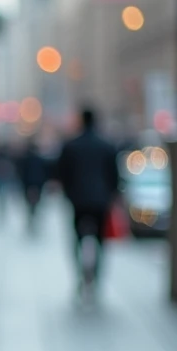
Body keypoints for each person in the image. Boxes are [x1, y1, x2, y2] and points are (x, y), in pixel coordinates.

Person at [56, 107, 120, 300]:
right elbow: (114, 176)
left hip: (78, 200)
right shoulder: (106, 145)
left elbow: (62, 174)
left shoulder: (71, 145)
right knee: (101, 240)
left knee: (77, 239)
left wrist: (68, 194)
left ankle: (79, 275)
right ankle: (97, 277)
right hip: (101, 201)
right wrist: (111, 196)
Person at [16, 137, 49, 234]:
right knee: (36, 205)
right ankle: (34, 220)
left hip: (28, 186)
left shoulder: (25, 160)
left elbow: (21, 174)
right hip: (37, 186)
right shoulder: (40, 159)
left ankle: (32, 221)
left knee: (30, 206)